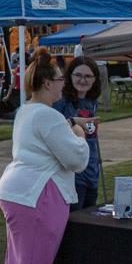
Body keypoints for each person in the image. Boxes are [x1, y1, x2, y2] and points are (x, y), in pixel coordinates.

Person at [0, 52, 89, 264]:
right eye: (61, 79)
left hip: (20, 194)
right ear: (47, 82)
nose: (64, 84)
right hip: (37, 197)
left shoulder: (27, 110)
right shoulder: (47, 117)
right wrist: (80, 136)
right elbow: (76, 159)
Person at [52, 57, 102, 210]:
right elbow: (54, 131)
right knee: (75, 221)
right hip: (72, 174)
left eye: (88, 76)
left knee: (90, 220)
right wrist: (73, 121)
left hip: (92, 171)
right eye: (78, 75)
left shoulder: (92, 101)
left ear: (94, 79)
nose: (83, 80)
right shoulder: (61, 101)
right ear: (70, 76)